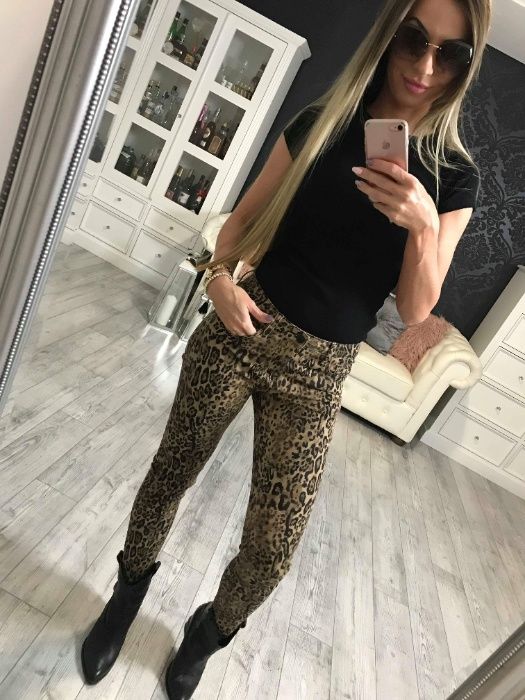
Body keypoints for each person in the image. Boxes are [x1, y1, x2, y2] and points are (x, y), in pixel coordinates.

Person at [81, 0, 489, 696]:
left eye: (449, 53)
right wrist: (218, 278)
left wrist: (423, 225)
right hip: (244, 327)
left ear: (465, 66)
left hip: (321, 369)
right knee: (169, 475)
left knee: (273, 547)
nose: (425, 66)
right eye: (413, 39)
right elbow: (241, 221)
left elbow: (416, 308)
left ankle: (208, 633)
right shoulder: (321, 122)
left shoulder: (453, 177)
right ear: (389, 34)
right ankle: (126, 597)